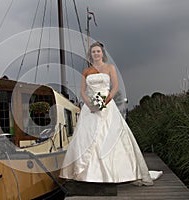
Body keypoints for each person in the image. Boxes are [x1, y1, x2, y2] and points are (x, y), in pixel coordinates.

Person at [60, 41, 161, 185]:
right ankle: (88, 174)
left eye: (98, 51)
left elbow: (115, 88)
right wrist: (89, 104)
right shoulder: (86, 71)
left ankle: (115, 173)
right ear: (90, 54)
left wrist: (104, 103)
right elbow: (82, 91)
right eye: (93, 52)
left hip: (107, 106)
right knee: (86, 137)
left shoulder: (109, 68)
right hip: (90, 108)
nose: (96, 54)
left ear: (102, 53)